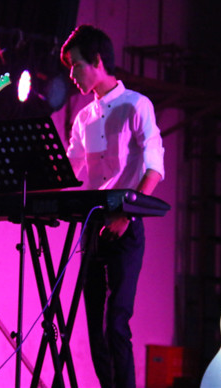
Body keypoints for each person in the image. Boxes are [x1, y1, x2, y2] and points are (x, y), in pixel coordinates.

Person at [60, 25, 165, 388]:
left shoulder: (136, 105)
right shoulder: (83, 118)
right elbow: (70, 171)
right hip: (93, 224)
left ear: (97, 61)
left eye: (76, 65)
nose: (72, 75)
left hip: (126, 222)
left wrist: (126, 215)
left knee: (116, 322)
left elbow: (154, 168)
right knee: (94, 327)